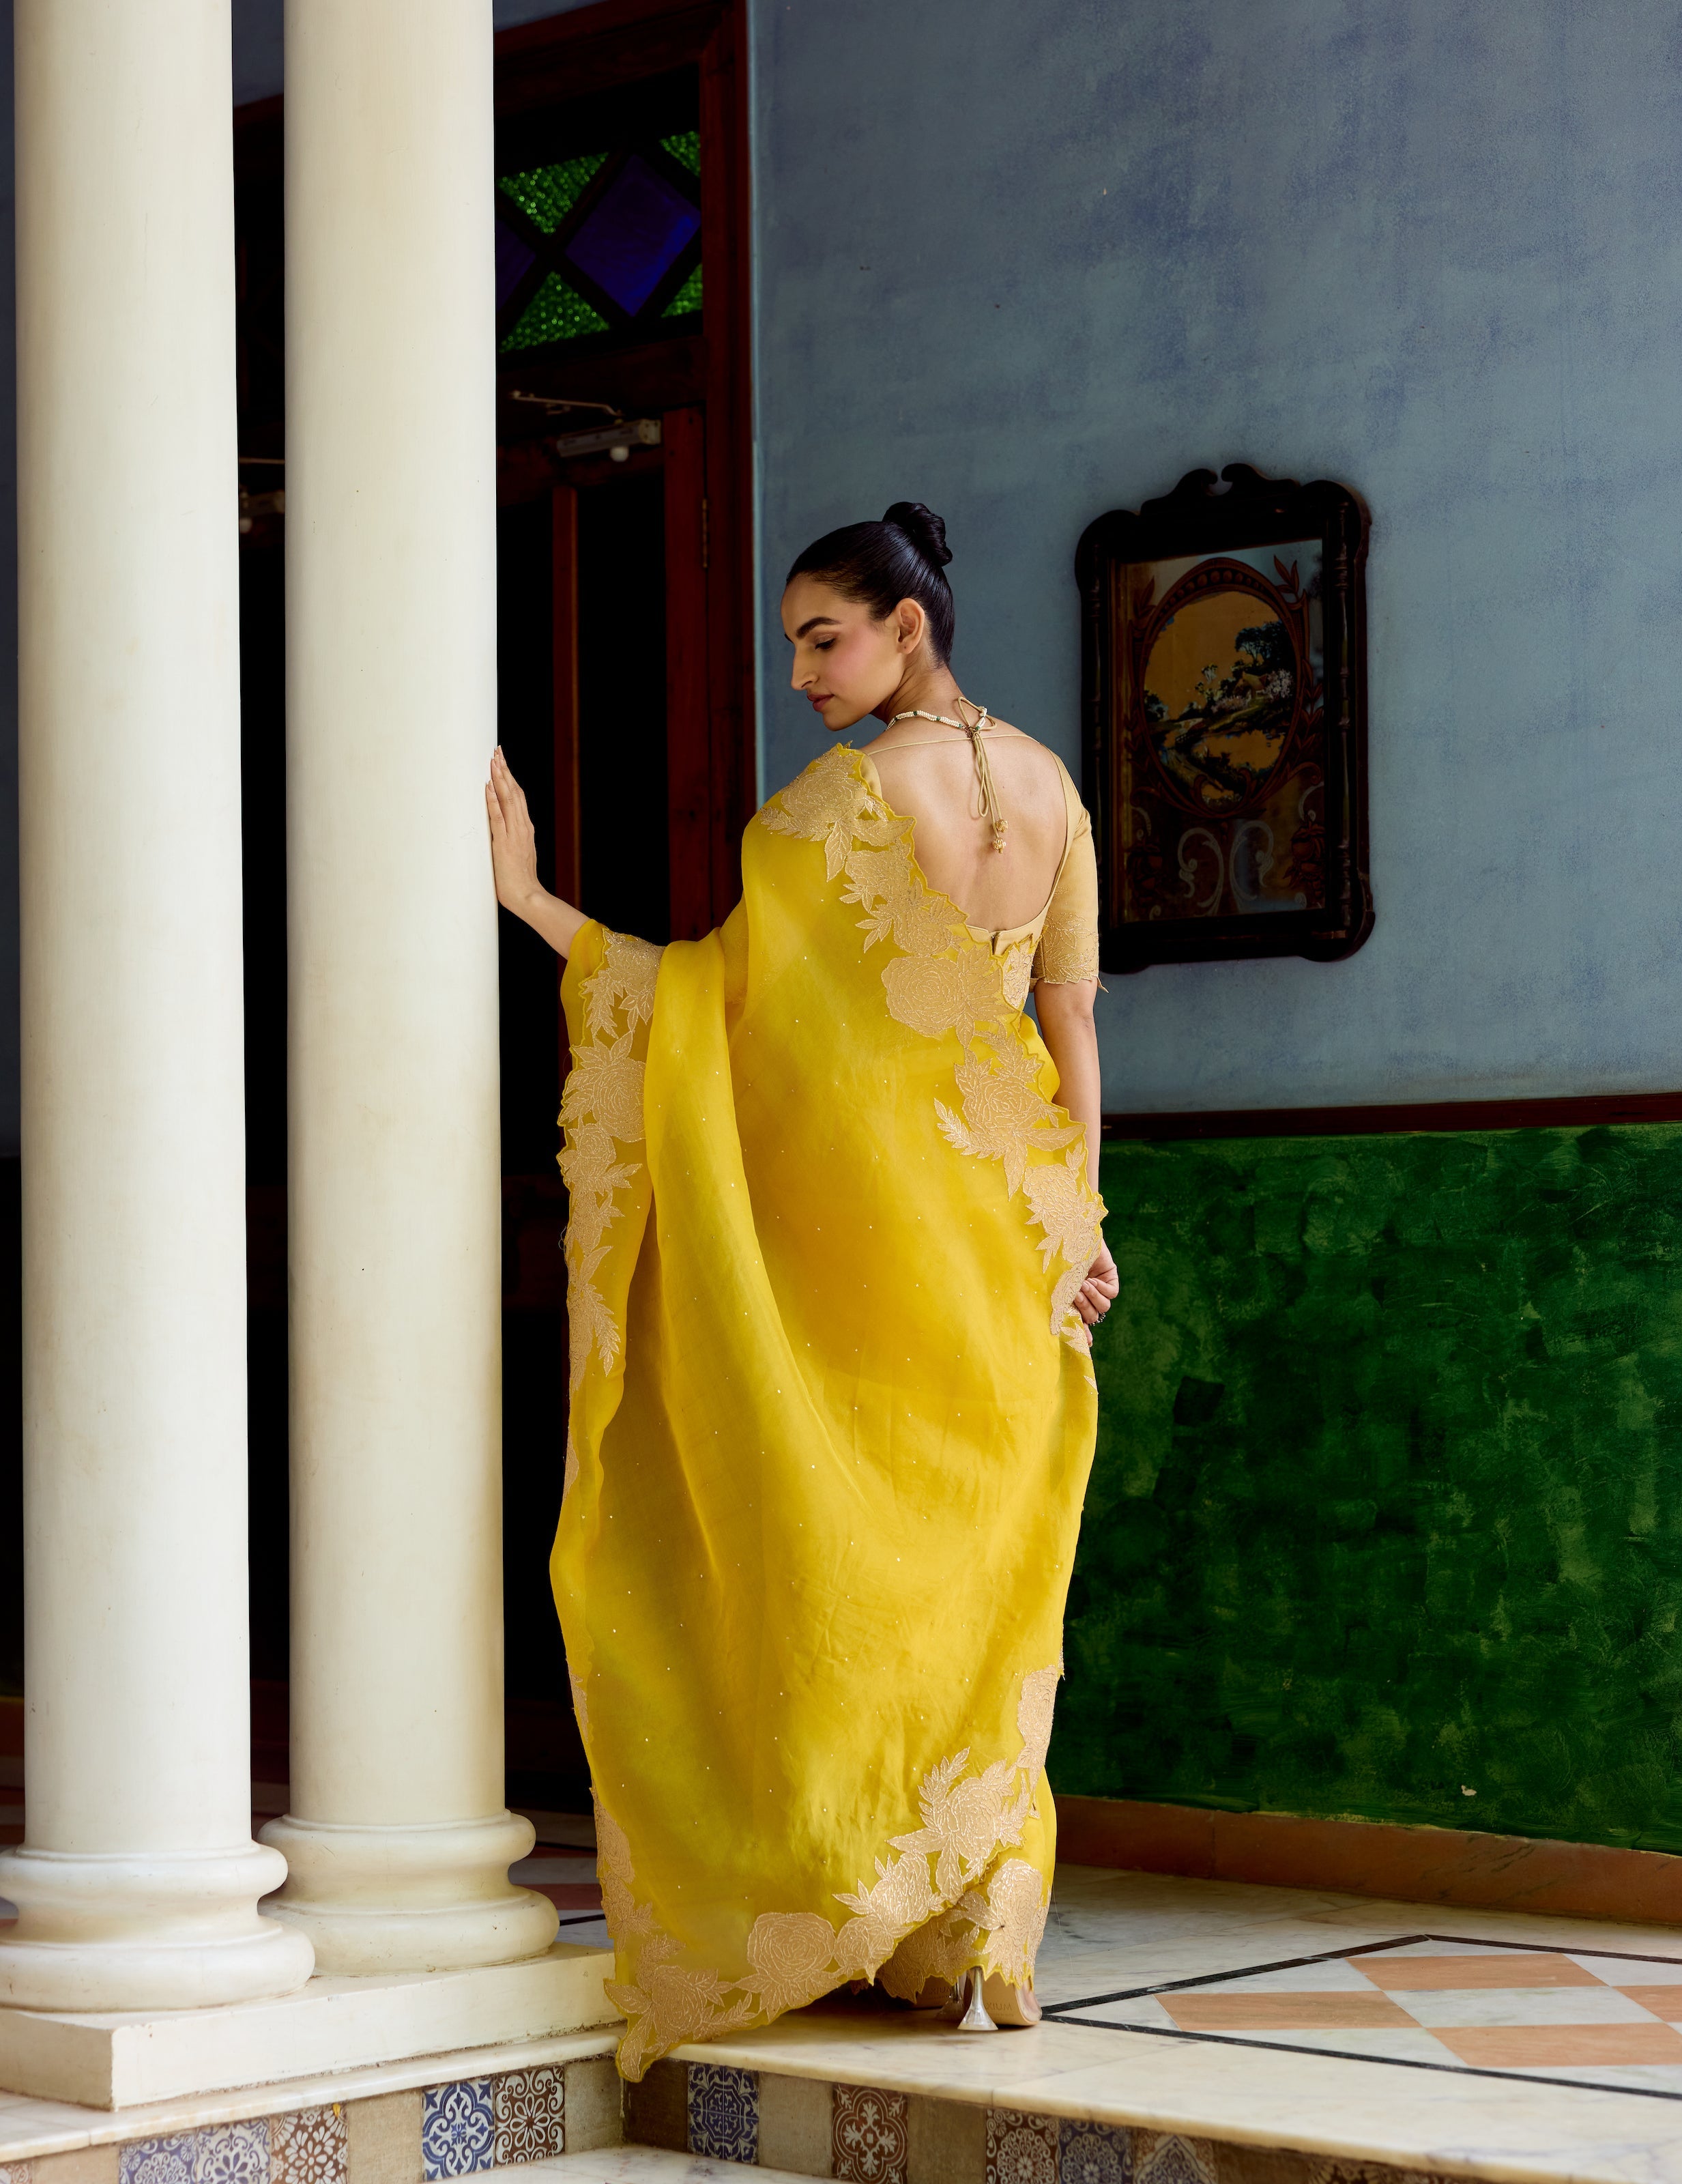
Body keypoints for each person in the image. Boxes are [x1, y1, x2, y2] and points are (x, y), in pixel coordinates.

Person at [487, 500, 1117, 2080]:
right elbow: (1069, 1033)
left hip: (874, 1259)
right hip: (1014, 1249)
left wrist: (530, 907)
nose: (800, 675)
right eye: (790, 645)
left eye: (820, 638)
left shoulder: (836, 810)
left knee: (845, 1564)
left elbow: (706, 1015)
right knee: (974, 1578)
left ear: (908, 628)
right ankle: (968, 1925)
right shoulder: (1052, 790)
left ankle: (869, 1912)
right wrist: (1081, 1217)